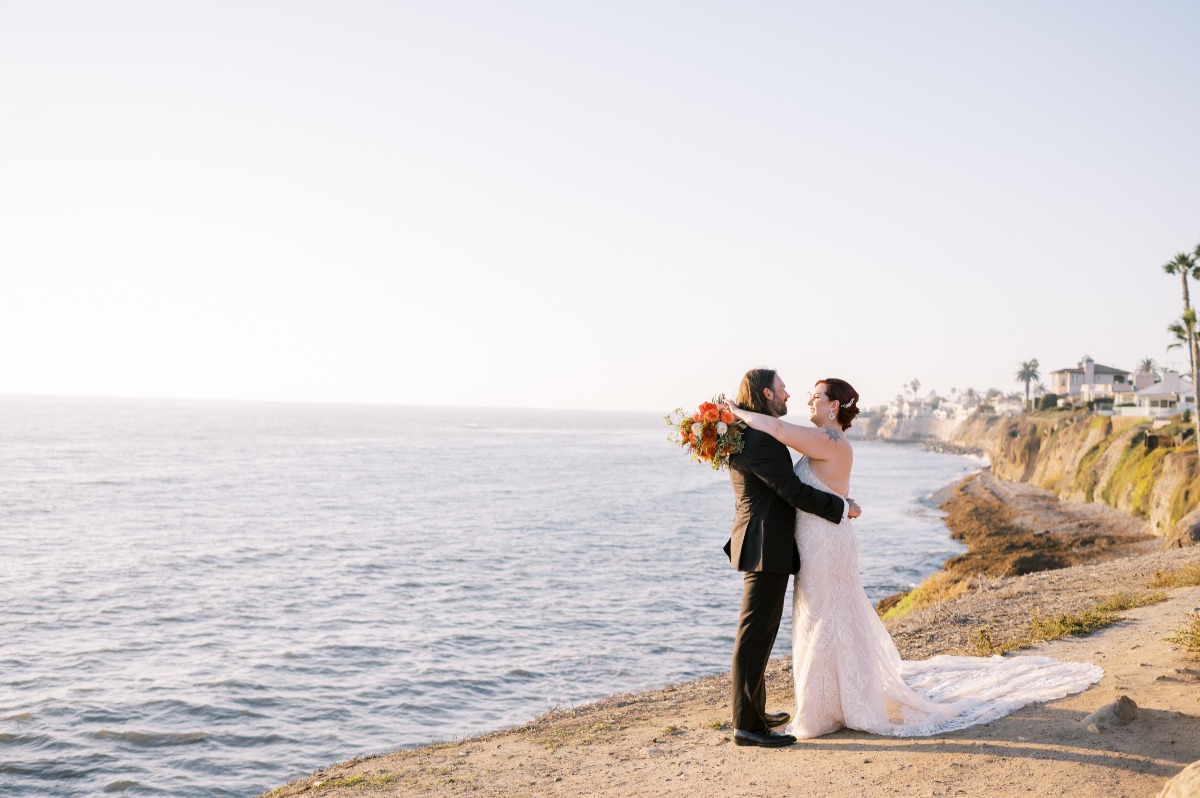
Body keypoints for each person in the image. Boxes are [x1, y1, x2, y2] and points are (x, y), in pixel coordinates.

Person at [729, 377, 1103, 739]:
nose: (807, 401)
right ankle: (831, 704)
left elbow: (777, 434)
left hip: (826, 544)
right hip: (818, 543)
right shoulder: (822, 439)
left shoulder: (827, 439)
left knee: (829, 619)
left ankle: (830, 707)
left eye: (816, 396)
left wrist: (732, 412)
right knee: (826, 620)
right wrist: (842, 505)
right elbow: (780, 449)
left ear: (834, 407)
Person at [724, 368, 861, 748]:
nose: (790, 397)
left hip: (773, 543)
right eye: (783, 391)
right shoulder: (762, 440)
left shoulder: (757, 434)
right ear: (767, 394)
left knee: (762, 634)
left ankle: (754, 712)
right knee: (754, 636)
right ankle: (746, 726)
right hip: (767, 544)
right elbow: (792, 491)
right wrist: (841, 506)